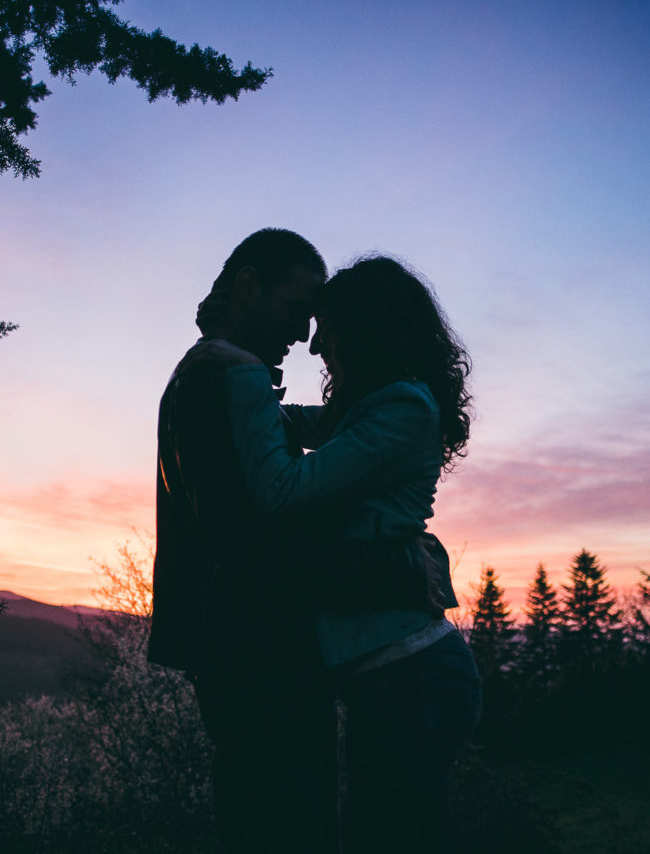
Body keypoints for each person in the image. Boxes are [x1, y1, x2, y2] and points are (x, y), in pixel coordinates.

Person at [212, 255, 482, 854]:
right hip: (386, 680)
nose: (314, 349)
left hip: (413, 677)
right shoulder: (367, 410)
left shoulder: (405, 410)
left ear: (365, 329)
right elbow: (291, 423)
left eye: (326, 328)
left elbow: (283, 487)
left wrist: (242, 375)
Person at [147, 228, 338, 853]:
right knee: (287, 819)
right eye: (296, 309)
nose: (305, 337)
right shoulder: (227, 379)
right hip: (261, 643)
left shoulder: (202, 376)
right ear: (249, 286)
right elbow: (252, 524)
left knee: (255, 813)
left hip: (230, 640)